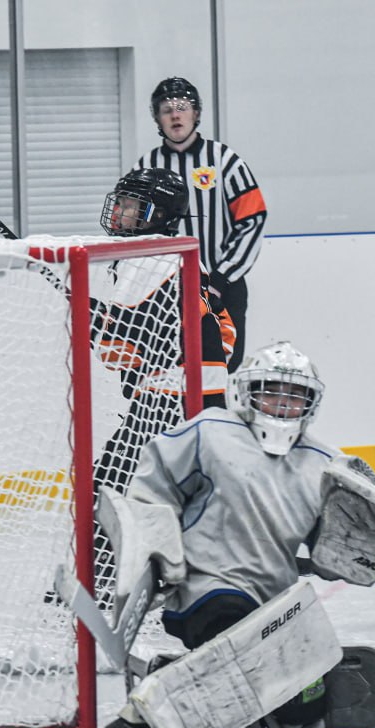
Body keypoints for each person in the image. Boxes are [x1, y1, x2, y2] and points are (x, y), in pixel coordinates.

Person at [78, 341, 375, 728]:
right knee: (233, 628)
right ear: (246, 392)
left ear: (311, 404)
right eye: (272, 391)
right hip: (202, 587)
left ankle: (202, 688)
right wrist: (159, 551)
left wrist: (363, 551)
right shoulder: (209, 431)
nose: (283, 403)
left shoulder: (324, 465)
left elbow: (331, 554)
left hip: (274, 607)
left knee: (301, 715)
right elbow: (152, 490)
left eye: (296, 396)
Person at [90, 167, 236, 604]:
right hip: (195, 401)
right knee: (161, 493)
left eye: (131, 205)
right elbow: (227, 332)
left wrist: (93, 317)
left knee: (111, 485)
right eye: (121, 202)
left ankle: (101, 577)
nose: (120, 212)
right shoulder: (181, 257)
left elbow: (118, 350)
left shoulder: (150, 264)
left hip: (169, 403)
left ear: (158, 214)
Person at [132, 76, 267, 372]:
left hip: (223, 290)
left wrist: (220, 278)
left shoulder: (225, 161)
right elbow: (131, 230)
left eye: (182, 106)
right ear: (158, 118)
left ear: (196, 113)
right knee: (165, 375)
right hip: (163, 293)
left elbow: (252, 219)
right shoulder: (145, 168)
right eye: (167, 109)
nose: (175, 114)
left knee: (220, 372)